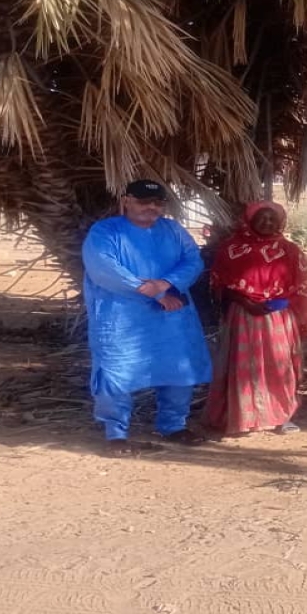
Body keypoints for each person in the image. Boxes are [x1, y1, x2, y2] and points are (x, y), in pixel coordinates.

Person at [81, 179, 211, 453]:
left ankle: (173, 426)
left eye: (157, 203)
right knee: (117, 371)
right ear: (126, 201)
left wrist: (166, 283)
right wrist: (153, 292)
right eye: (143, 201)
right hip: (122, 317)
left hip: (172, 316)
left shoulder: (173, 230)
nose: (151, 207)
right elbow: (104, 268)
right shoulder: (105, 232)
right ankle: (116, 433)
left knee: (178, 369)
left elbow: (192, 260)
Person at [203, 201, 307, 436]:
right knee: (244, 367)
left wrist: (284, 306)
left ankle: (282, 416)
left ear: (281, 223)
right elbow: (220, 284)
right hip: (244, 316)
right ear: (249, 220)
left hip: (278, 318)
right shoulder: (231, 249)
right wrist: (247, 303)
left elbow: (301, 286)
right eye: (261, 218)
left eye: (272, 219)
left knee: (280, 366)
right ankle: (244, 417)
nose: (267, 222)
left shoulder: (291, 251)